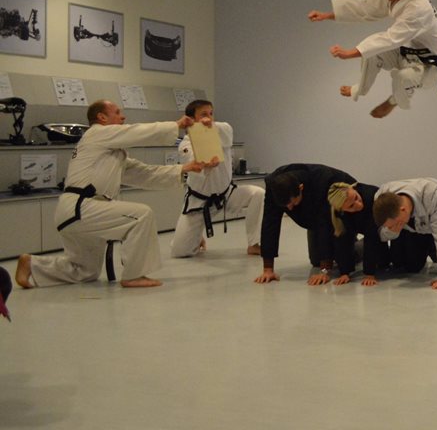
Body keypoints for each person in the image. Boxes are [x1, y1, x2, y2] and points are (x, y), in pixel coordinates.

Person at [15, 100, 209, 289]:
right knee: (141, 215)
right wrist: (176, 125)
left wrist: (185, 168)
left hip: (77, 212)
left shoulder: (110, 153)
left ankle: (33, 265)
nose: (123, 117)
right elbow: (135, 133)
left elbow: (145, 174)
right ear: (102, 117)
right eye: (117, 112)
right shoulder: (97, 133)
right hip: (83, 206)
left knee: (85, 271)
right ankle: (134, 275)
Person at [307, 0, 437, 119]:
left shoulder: (418, 8)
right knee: (371, 54)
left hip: (429, 67)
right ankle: (359, 90)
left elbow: (390, 38)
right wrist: (327, 15)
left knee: (401, 78)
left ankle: (393, 101)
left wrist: (350, 53)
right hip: (405, 55)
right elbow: (365, 8)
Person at [170, 100, 265, 258]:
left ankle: (254, 243)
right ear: (191, 119)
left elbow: (227, 130)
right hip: (199, 202)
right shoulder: (185, 144)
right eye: (203, 114)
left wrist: (210, 125)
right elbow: (192, 160)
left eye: (211, 113)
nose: (209, 118)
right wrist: (205, 164)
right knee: (180, 252)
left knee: (258, 193)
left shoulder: (220, 132)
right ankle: (196, 236)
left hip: (226, 195)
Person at [254, 163, 361, 285]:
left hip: (345, 205)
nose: (290, 208)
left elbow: (324, 224)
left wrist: (325, 270)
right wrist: (268, 269)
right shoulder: (273, 185)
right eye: (285, 206)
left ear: (301, 188)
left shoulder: (321, 181)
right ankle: (344, 243)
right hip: (312, 215)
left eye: (293, 203)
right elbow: (270, 222)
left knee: (342, 256)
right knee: (316, 260)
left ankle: (360, 244)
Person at [372, 177, 437, 290]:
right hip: (419, 224)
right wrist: (393, 231)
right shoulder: (381, 199)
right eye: (390, 226)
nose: (394, 227)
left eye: (396, 224)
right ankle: (430, 246)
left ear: (403, 209)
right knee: (409, 266)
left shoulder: (435, 197)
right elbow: (382, 234)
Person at [325, 180, 389, 286]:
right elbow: (342, 241)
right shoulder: (339, 214)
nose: (358, 204)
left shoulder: (372, 197)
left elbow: (372, 237)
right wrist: (344, 272)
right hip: (363, 226)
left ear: (353, 189)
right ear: (342, 210)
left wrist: (369, 274)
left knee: (384, 263)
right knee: (341, 243)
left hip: (385, 227)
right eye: (351, 206)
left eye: (356, 197)